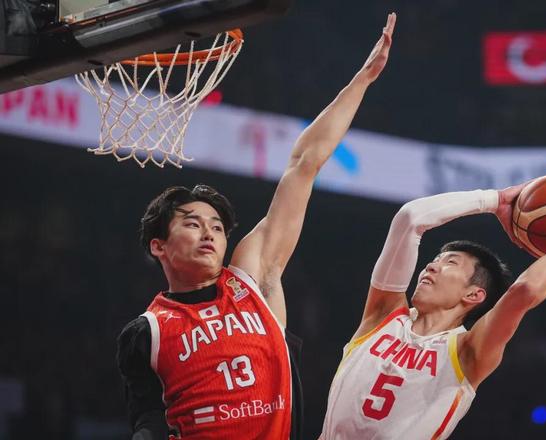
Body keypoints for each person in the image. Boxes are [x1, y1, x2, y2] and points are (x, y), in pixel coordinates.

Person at [116, 13, 397, 440]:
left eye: (217, 226)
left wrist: (363, 79)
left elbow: (304, 164)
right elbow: (147, 419)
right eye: (192, 223)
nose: (209, 233)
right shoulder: (147, 332)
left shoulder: (252, 278)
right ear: (159, 246)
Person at [320, 182, 546, 439]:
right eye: (435, 260)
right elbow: (410, 218)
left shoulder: (467, 351)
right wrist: (494, 200)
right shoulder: (383, 317)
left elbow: (525, 290)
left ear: (473, 294)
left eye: (450, 263)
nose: (430, 267)